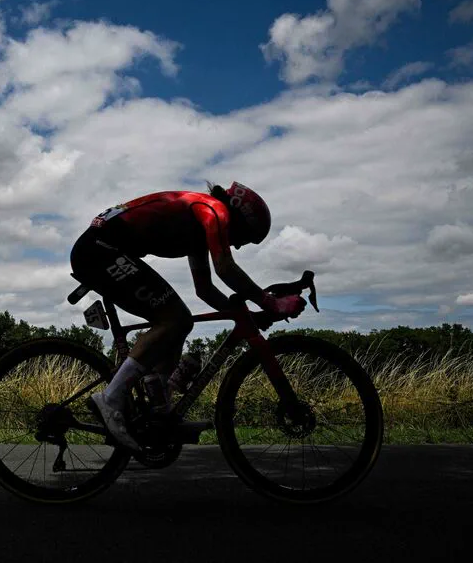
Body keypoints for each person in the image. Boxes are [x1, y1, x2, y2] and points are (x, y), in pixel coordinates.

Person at [70, 182, 305, 451]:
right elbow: (226, 268)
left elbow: (204, 290)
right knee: (173, 319)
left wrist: (247, 315)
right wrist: (270, 302)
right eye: (244, 237)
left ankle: (161, 412)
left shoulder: (198, 226)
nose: (238, 245)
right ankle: (110, 398)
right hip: (99, 250)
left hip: (102, 248)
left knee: (180, 322)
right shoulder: (213, 211)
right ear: (239, 219)